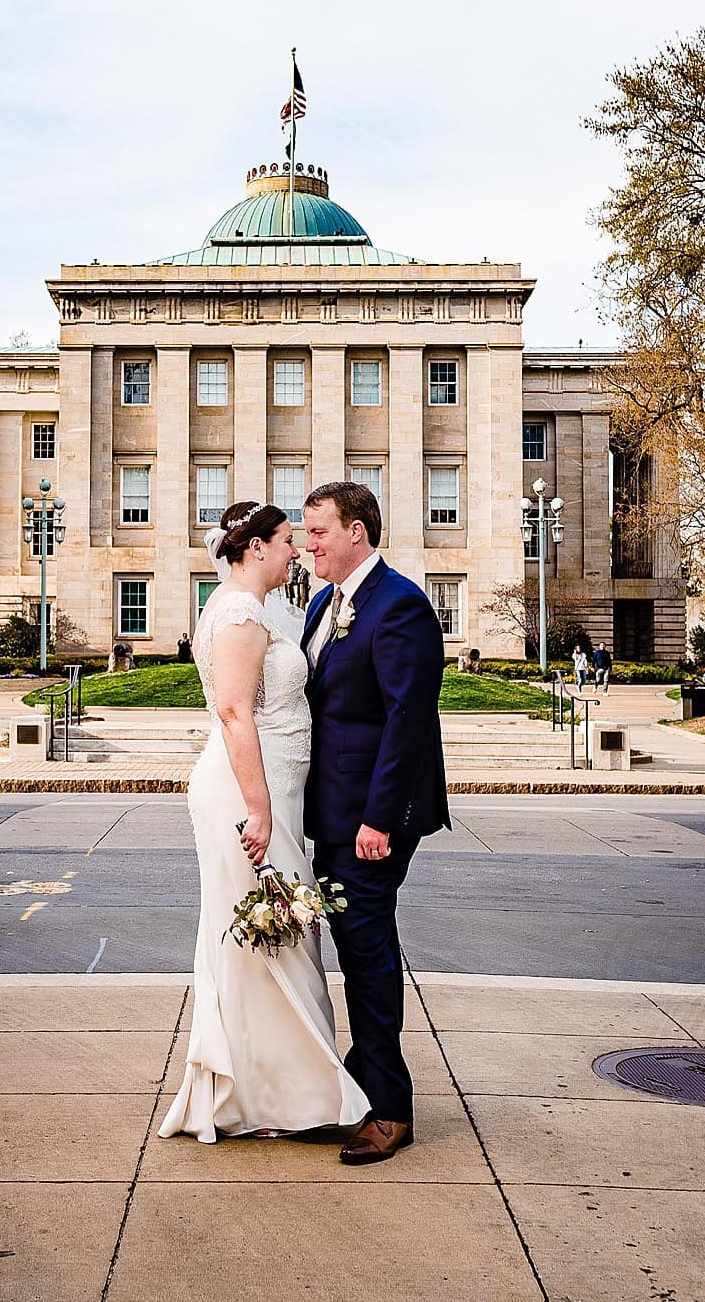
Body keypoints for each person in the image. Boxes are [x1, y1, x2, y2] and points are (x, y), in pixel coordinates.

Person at [159, 502, 369, 1145]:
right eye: (285, 541)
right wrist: (258, 809)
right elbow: (233, 713)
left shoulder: (264, 607)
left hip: (275, 789)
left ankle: (275, 1092)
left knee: (279, 936)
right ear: (254, 548)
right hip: (248, 794)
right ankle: (289, 1097)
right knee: (271, 937)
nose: (296, 550)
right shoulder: (237, 615)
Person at [299, 481, 449, 1165]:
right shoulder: (324, 604)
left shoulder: (400, 605)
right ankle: (365, 1080)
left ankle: (390, 1109)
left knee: (367, 953)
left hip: (372, 818)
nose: (309, 545)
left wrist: (380, 820)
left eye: (319, 532)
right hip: (335, 812)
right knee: (359, 946)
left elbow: (406, 721)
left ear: (356, 531)